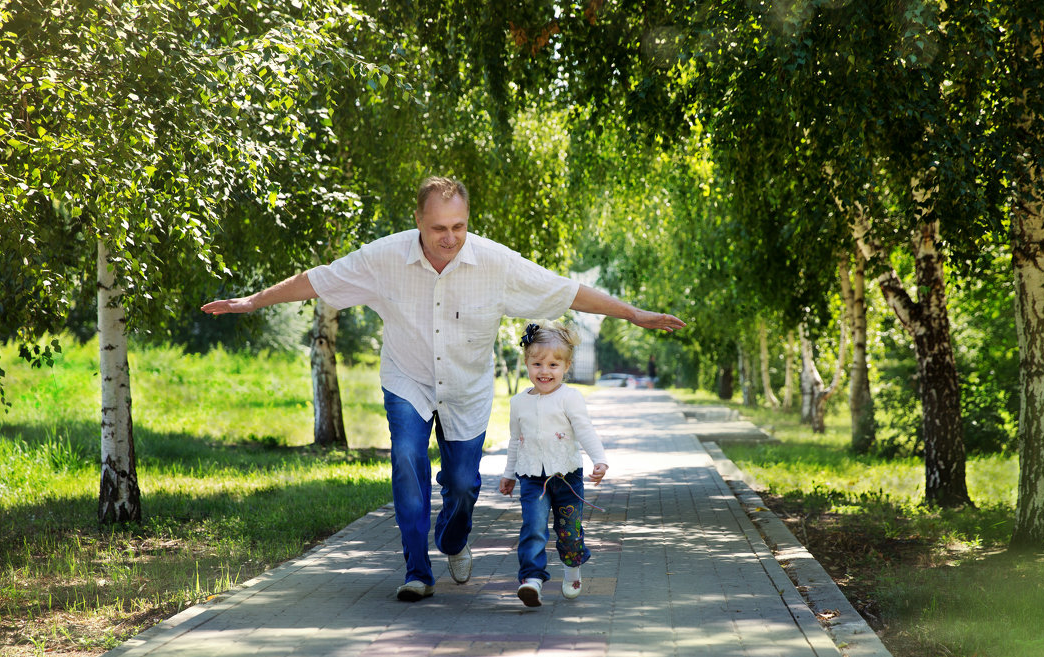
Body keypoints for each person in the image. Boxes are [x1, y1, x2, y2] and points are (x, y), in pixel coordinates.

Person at [201, 176, 684, 602]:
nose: (450, 238)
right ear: (418, 221)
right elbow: (320, 279)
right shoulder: (383, 258)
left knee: (462, 485)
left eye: (459, 226)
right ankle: (417, 570)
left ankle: (453, 540)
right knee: (407, 460)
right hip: (407, 380)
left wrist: (634, 314)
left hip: (467, 391)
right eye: (438, 229)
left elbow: (565, 290)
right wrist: (252, 301)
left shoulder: (496, 263)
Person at [499, 321, 607, 607]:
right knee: (533, 527)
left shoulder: (570, 397)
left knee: (569, 531)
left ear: (566, 366)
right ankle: (532, 579)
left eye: (553, 365)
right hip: (531, 476)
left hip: (567, 476)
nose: (544, 372)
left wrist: (600, 460)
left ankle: (572, 567)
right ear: (526, 363)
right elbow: (514, 440)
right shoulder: (518, 402)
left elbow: (584, 429)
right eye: (537, 364)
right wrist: (509, 474)